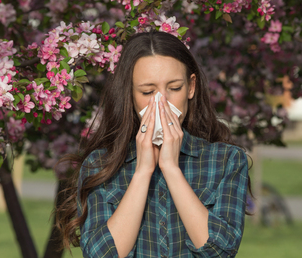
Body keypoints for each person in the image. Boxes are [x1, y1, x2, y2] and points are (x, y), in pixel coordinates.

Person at [56, 30, 251, 257]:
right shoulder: (100, 165)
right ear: (130, 94)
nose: (162, 102)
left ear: (191, 87)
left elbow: (220, 250)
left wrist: (171, 169)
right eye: (148, 91)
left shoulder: (226, 160)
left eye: (175, 88)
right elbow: (102, 254)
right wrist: (142, 171)